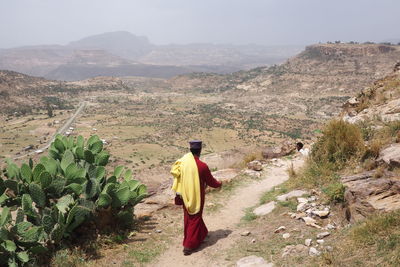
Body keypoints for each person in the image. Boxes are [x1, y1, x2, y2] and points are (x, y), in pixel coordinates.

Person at [170, 140, 222, 255]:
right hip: (196, 195)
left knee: (189, 217)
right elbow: (211, 181)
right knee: (195, 217)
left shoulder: (183, 162)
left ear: (190, 150)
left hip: (184, 194)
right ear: (200, 150)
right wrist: (219, 184)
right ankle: (188, 245)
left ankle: (202, 234)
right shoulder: (202, 166)